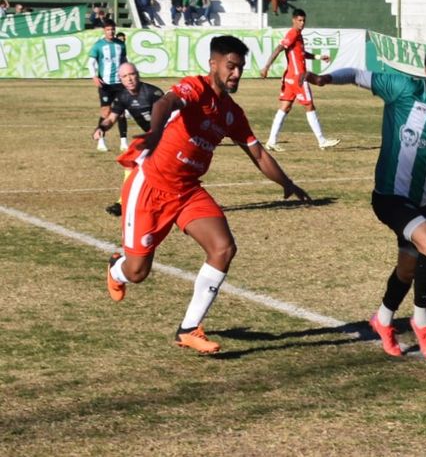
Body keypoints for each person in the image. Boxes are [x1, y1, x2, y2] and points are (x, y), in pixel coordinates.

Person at [104, 35, 311, 354]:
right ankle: (116, 268)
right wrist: (156, 132)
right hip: (151, 186)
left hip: (187, 191)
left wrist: (287, 182)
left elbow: (257, 153)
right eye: (231, 66)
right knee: (137, 272)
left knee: (223, 248)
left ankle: (188, 328)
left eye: (241, 68)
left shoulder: (232, 112)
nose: (237, 74)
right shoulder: (194, 87)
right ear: (213, 64)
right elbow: (165, 103)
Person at [307, 40, 426, 362]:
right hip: (390, 197)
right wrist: (327, 79)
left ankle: (382, 320)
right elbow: (357, 74)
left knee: (408, 270)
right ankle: (422, 323)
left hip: (423, 203)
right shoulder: (402, 87)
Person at [259, 9, 340, 152]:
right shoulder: (293, 33)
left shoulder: (298, 35)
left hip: (290, 76)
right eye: (299, 20)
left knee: (285, 107)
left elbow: (302, 54)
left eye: (304, 20)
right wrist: (266, 66)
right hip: (299, 78)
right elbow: (279, 48)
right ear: (293, 20)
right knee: (309, 106)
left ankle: (271, 141)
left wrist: (318, 57)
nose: (302, 23)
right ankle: (322, 141)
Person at [93, 62, 164, 216]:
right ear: (121, 79)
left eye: (131, 74)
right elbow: (111, 118)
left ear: (137, 74)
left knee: (164, 172)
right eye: (125, 76)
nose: (129, 79)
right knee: (130, 164)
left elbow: (171, 118)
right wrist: (101, 128)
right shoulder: (122, 97)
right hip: (153, 138)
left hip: (169, 137)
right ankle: (123, 203)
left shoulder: (154, 93)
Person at [88, 19, 128, 152]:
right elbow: (91, 62)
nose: (111, 32)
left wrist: (126, 75)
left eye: (112, 29)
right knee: (106, 112)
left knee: (121, 113)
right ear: (104, 31)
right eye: (108, 30)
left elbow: (124, 61)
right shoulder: (98, 45)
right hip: (105, 84)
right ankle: (101, 140)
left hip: (119, 83)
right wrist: (94, 76)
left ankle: (124, 142)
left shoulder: (121, 45)